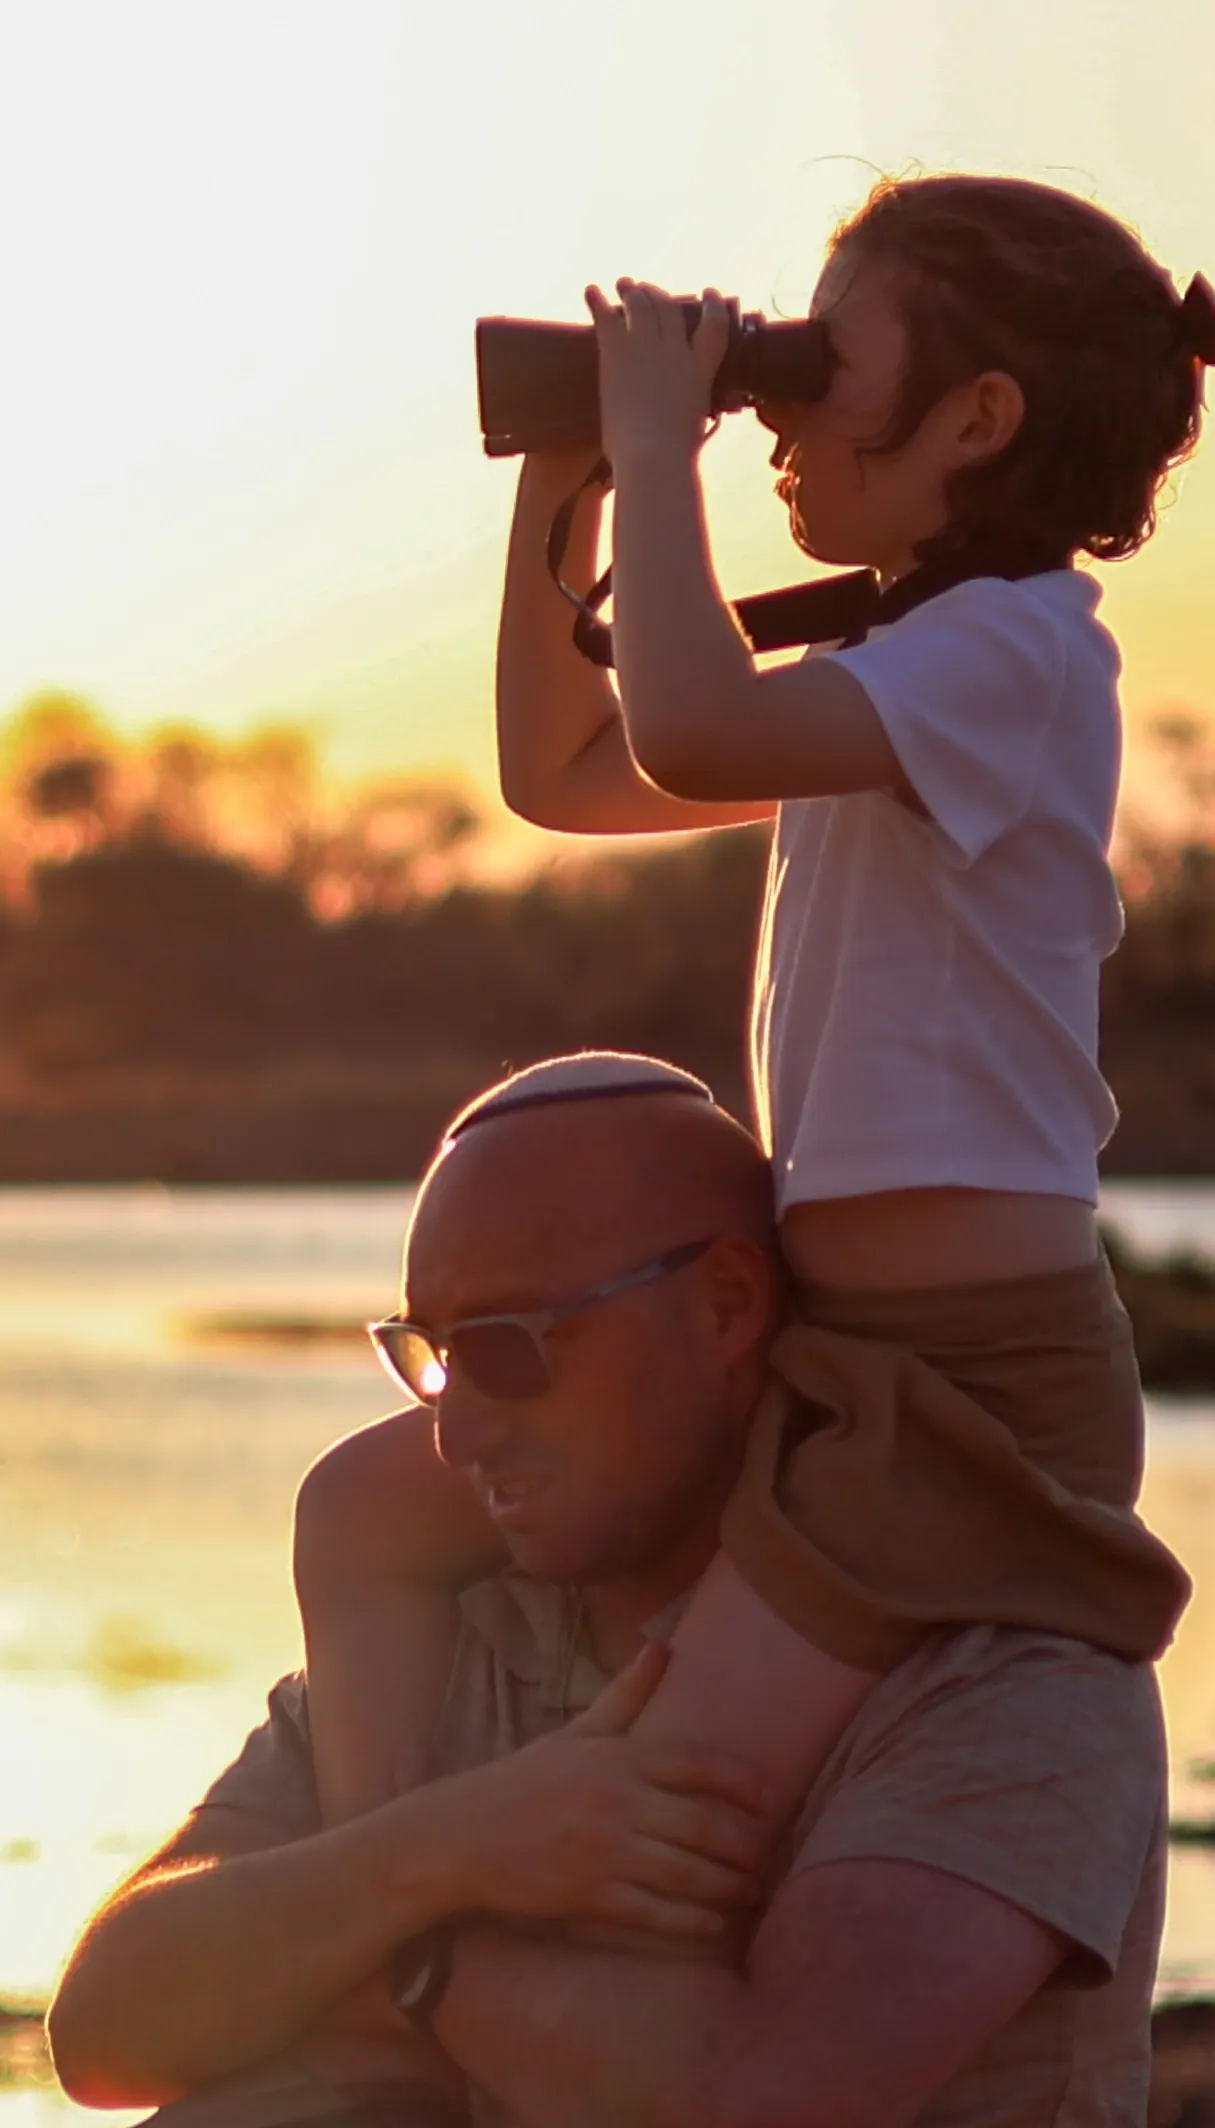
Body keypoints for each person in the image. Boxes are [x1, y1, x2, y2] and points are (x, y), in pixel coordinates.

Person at [294, 173, 1203, 1840]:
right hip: (823, 1354)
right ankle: (370, 1900)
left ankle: (438, 1948)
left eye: (817, 361)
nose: (770, 398)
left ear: (975, 420)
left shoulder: (1018, 657)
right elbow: (565, 772)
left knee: (673, 1788)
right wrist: (571, 468)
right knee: (364, 1511)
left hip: (974, 1397)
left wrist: (659, 450)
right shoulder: (901, 670)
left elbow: (688, 733)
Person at [48, 1058, 1170, 2128]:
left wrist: (414, 1955)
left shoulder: (1007, 1680)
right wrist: (447, 1846)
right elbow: (104, 2030)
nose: (458, 1431)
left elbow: (759, 2114)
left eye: (506, 1349)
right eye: (430, 1358)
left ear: (727, 1306)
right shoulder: (455, 1642)